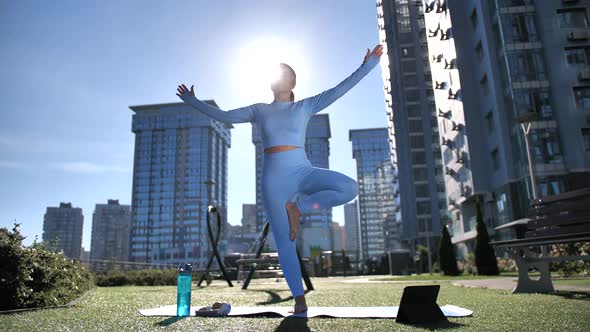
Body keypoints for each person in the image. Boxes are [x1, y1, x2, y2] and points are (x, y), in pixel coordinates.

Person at [176, 44, 383, 313]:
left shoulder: (306, 105)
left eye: (284, 73)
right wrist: (193, 101)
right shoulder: (258, 110)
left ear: (293, 81)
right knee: (285, 240)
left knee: (348, 187)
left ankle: (299, 207)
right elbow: (225, 116)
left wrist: (366, 67)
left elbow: (339, 90)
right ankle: (299, 298)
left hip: (303, 172)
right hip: (274, 180)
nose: (278, 76)